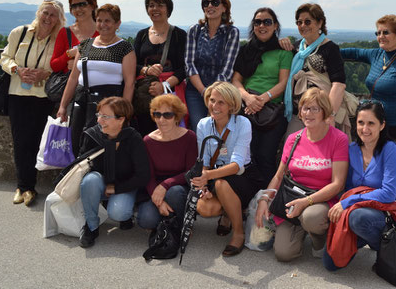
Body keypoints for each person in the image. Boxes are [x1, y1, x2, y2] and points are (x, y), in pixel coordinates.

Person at [255, 88, 348, 261]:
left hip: (322, 200)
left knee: (310, 217)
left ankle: (319, 239)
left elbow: (338, 184)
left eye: (315, 109)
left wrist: (306, 202)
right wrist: (264, 200)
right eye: (305, 108)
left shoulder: (338, 139)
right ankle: (301, 230)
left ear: (324, 112)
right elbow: (278, 176)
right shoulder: (293, 138)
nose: (308, 113)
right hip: (293, 197)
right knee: (283, 254)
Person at [322, 100, 396, 270]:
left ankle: (386, 248)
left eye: (371, 123)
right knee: (330, 263)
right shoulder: (352, 149)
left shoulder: (391, 150)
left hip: (387, 212)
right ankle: (362, 237)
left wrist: (348, 203)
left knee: (359, 219)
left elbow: (388, 194)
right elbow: (345, 187)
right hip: (357, 211)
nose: (365, 129)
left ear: (382, 125)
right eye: (361, 123)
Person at [0, 0, 65, 206]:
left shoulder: (59, 39)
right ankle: (23, 186)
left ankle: (30, 187)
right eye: (45, 13)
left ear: (58, 19)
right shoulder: (19, 32)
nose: (48, 18)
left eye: (52, 15)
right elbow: (5, 57)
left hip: (42, 97)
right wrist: (16, 69)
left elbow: (62, 65)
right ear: (38, 13)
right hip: (17, 93)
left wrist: (45, 73)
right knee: (20, 142)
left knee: (37, 141)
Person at [191, 81, 264, 257]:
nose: (214, 106)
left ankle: (238, 233)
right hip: (216, 175)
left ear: (231, 105)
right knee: (206, 208)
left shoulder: (243, 123)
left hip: (244, 176)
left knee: (222, 184)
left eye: (221, 102)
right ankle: (228, 213)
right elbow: (205, 160)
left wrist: (208, 176)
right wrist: (204, 187)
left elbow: (237, 165)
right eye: (212, 100)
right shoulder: (203, 124)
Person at [56, 4, 136, 155]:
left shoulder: (125, 48)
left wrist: (124, 114)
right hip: (81, 101)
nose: (103, 25)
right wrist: (63, 106)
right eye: (99, 20)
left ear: (117, 23)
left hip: (109, 104)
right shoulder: (85, 45)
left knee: (100, 147)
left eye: (108, 21)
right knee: (76, 143)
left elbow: (130, 83)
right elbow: (73, 78)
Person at [78, 97, 150, 248]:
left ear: (121, 119)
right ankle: (91, 226)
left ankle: (126, 214)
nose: (99, 121)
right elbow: (82, 166)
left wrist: (116, 189)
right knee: (90, 180)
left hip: (125, 184)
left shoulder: (134, 139)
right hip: (100, 183)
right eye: (99, 115)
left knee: (118, 213)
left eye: (105, 117)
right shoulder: (92, 135)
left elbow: (143, 176)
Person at [232, 7, 293, 186]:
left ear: (275, 26)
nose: (262, 25)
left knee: (266, 157)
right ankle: (248, 199)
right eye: (257, 22)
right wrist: (247, 98)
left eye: (267, 22)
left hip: (272, 109)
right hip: (247, 106)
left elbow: (284, 83)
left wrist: (262, 99)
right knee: (246, 156)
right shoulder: (246, 50)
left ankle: (266, 200)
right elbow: (236, 80)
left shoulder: (283, 50)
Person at [340, 14, 396, 145]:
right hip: (373, 123)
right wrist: (327, 51)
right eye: (378, 33)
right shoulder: (377, 54)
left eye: (386, 32)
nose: (381, 36)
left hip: (395, 127)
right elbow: (354, 53)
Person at [279, 3, 356, 139]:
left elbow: (338, 84)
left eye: (308, 21)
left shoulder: (330, 48)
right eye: (299, 22)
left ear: (320, 23)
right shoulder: (296, 48)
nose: (303, 25)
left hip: (322, 113)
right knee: (292, 147)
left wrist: (330, 115)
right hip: (300, 113)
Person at [137, 94, 197, 238]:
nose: (161, 120)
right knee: (146, 220)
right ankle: (167, 216)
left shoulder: (189, 137)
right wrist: (158, 202)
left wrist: (165, 185)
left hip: (180, 185)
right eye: (157, 114)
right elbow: (148, 175)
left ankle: (183, 222)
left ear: (177, 116)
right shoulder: (148, 140)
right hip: (155, 186)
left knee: (174, 193)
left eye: (167, 115)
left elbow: (191, 171)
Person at [133, 0, 187, 136]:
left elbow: (185, 67)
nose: (155, 9)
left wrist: (164, 86)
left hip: (171, 92)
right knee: (146, 135)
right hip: (144, 94)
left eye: (160, 5)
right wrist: (146, 70)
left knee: (170, 134)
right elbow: (132, 65)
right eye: (151, 5)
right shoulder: (141, 35)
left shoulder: (179, 35)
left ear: (168, 9)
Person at [184, 0, 239, 129]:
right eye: (206, 3)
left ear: (224, 7)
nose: (210, 6)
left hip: (221, 93)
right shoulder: (194, 31)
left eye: (215, 2)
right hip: (195, 91)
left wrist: (213, 96)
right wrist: (204, 92)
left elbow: (227, 68)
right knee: (199, 129)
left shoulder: (231, 32)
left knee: (218, 129)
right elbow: (189, 64)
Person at [50, 0, 98, 74]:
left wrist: (80, 64)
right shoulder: (65, 33)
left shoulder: (103, 33)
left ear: (92, 6)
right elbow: (54, 66)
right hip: (70, 86)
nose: (78, 9)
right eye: (74, 6)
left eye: (82, 4)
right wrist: (69, 54)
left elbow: (115, 63)